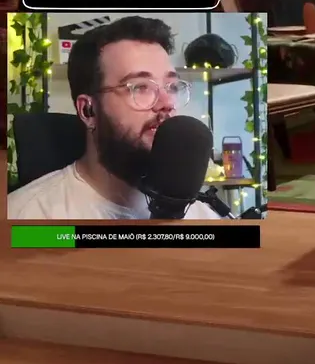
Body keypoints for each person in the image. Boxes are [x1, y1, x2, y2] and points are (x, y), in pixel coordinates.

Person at [7, 16, 224, 220]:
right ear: (88, 111)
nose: (167, 102)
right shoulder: (27, 218)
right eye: (141, 87)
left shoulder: (202, 217)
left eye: (172, 86)